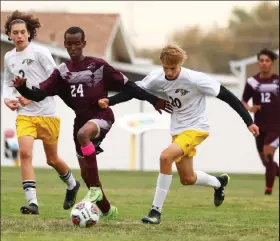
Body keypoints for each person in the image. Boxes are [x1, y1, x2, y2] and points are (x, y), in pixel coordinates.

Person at [11, 26, 172, 219]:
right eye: (69, 44)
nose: (73, 48)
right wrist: (23, 88)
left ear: (83, 44)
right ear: (65, 45)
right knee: (87, 175)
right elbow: (38, 95)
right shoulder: (61, 73)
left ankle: (95, 189)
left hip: (101, 117)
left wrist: (154, 100)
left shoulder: (98, 66)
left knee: (83, 135)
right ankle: (107, 210)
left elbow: (130, 88)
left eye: (77, 44)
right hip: (80, 121)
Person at [98, 43, 259, 224]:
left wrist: (249, 121)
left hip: (197, 128)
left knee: (165, 157)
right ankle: (218, 182)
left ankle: (155, 211)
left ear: (180, 64)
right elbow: (134, 91)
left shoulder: (195, 79)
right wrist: (110, 101)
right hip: (178, 131)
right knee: (187, 178)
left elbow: (228, 96)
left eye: (173, 68)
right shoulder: (157, 77)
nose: (169, 72)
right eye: (165, 68)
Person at [3, 11, 80, 215]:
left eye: (22, 32)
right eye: (15, 32)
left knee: (52, 159)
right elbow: (7, 82)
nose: (19, 35)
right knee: (25, 153)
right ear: (9, 35)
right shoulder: (9, 57)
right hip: (25, 115)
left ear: (29, 34)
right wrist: (6, 98)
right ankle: (33, 203)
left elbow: (57, 79)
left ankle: (72, 184)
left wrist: (35, 95)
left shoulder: (40, 53)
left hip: (47, 114)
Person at [241, 48, 279, 195]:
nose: (264, 63)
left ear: (272, 63)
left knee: (269, 155)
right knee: (266, 163)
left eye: (267, 61)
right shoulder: (252, 82)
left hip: (276, 127)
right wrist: (250, 108)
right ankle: (271, 176)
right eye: (261, 60)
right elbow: (243, 100)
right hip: (259, 126)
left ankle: (268, 190)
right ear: (258, 63)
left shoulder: (277, 81)